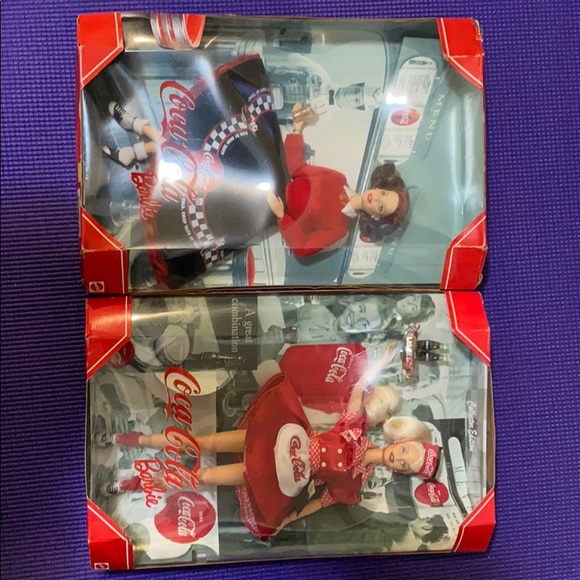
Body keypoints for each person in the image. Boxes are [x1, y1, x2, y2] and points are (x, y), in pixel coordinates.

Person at [95, 361, 441, 540]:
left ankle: (130, 485)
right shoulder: (355, 430)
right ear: (400, 440)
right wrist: (376, 367)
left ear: (400, 472)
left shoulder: (353, 486)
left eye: (405, 465)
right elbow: (355, 394)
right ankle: (127, 439)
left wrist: (287, 519)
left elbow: (320, 501)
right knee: (203, 442)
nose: (399, 458)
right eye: (406, 451)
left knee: (204, 476)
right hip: (281, 436)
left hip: (280, 474)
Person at [266, 103, 410, 258]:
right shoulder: (339, 179)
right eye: (383, 193)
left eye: (381, 207)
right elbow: (297, 167)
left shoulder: (339, 229)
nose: (376, 198)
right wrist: (297, 128)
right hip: (271, 179)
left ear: (376, 217)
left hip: (267, 213)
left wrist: (282, 216)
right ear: (379, 188)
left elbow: (302, 248)